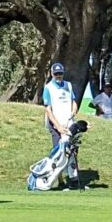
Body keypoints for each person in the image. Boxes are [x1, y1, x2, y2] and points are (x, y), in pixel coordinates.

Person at [43, 62, 78, 190]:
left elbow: (74, 101)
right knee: (58, 152)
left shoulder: (68, 85)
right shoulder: (48, 88)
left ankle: (73, 179)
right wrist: (58, 126)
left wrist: (74, 110)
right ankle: (59, 181)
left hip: (68, 122)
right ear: (52, 74)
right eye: (56, 73)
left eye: (60, 73)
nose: (58, 76)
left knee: (71, 150)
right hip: (55, 123)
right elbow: (48, 110)